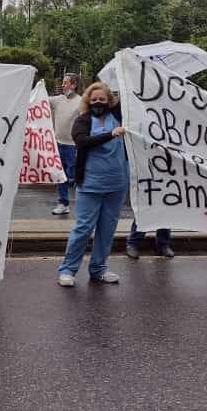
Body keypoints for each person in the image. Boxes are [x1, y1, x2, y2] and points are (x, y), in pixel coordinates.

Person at [57, 82, 127, 286]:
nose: (98, 102)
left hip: (116, 184)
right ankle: (68, 269)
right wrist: (110, 134)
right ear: (88, 101)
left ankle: (98, 269)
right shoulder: (83, 120)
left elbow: (130, 99)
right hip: (90, 184)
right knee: (83, 228)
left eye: (102, 99)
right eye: (94, 99)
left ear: (109, 101)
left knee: (107, 230)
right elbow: (82, 142)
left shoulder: (119, 117)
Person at [49, 73, 81, 215]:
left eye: (65, 83)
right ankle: (63, 203)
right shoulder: (58, 100)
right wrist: (39, 86)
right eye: (63, 83)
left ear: (74, 85)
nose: (62, 85)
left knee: (74, 176)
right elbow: (41, 98)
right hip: (58, 144)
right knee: (60, 175)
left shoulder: (81, 102)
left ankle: (83, 204)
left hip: (73, 146)